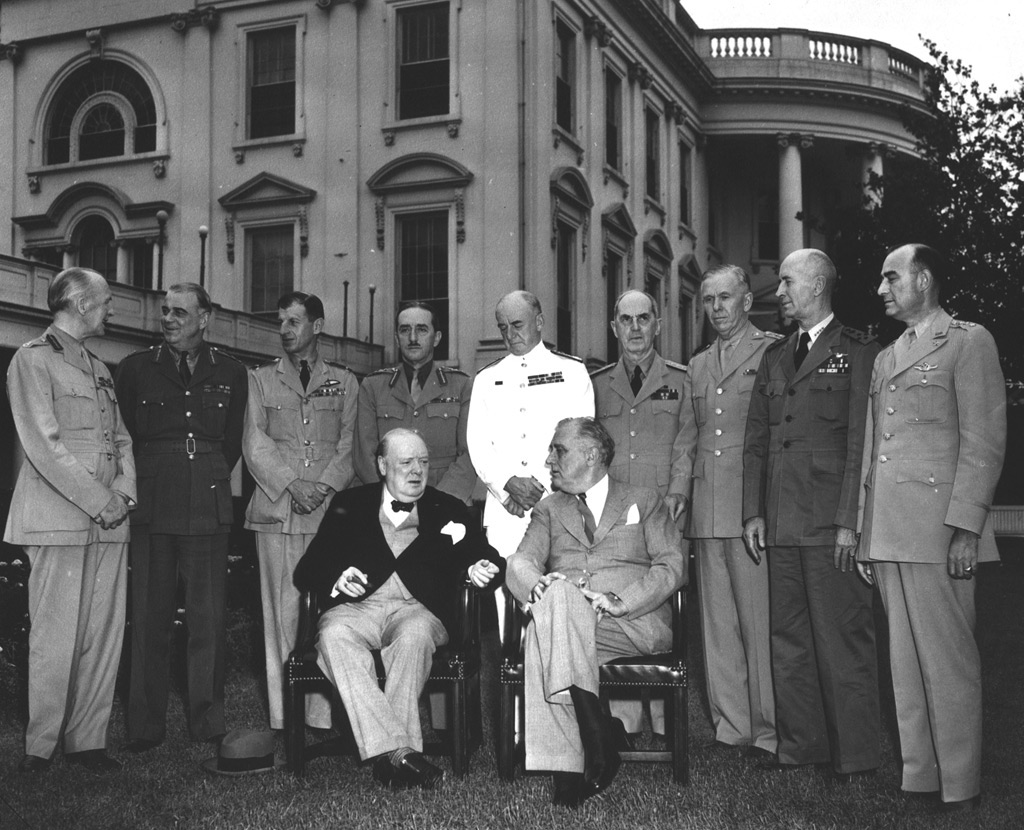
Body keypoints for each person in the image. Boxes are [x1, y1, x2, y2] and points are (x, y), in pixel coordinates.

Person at [857, 244, 1005, 812]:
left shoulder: (968, 341)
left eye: (891, 277)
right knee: (905, 663)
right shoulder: (889, 355)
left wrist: (966, 527)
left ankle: (961, 782)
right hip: (891, 531)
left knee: (948, 662)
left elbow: (984, 441)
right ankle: (920, 775)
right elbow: (875, 451)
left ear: (924, 279)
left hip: (940, 532)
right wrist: (867, 534)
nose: (882, 289)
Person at [293, 429, 504, 789]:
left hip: (417, 609)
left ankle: (391, 753)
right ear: (381, 465)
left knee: (414, 638)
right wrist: (337, 576)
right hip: (358, 607)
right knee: (332, 636)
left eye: (423, 462)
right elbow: (309, 568)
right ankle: (399, 754)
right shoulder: (349, 503)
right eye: (405, 463)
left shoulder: (447, 506)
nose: (417, 471)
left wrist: (478, 568)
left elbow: (485, 555)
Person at [742, 248, 881, 779]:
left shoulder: (858, 351)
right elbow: (757, 439)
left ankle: (856, 755)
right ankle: (802, 746)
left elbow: (861, 446)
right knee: (790, 641)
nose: (778, 293)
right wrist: (753, 512)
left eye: (786, 283)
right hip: (780, 522)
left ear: (818, 285)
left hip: (829, 524)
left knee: (842, 640)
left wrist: (851, 520)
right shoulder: (776, 356)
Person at [506, 418, 685, 807]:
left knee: (545, 630)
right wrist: (538, 586)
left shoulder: (643, 498)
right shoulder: (549, 509)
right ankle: (597, 734)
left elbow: (672, 565)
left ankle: (571, 759)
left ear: (591, 455)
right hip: (569, 620)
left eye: (559, 450)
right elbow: (520, 562)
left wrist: (620, 599)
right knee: (558, 598)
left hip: (629, 622)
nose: (549, 459)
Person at [5, 268, 135, 774]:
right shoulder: (31, 360)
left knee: (101, 635)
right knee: (54, 636)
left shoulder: (100, 367)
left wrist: (123, 494)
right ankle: (41, 746)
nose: (110, 311)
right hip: (59, 519)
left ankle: (87, 741)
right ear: (81, 304)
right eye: (104, 303)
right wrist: (98, 499)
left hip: (108, 521)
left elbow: (121, 439)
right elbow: (42, 443)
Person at [115, 282, 248, 751]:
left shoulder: (231, 371)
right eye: (165, 312)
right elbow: (125, 435)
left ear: (205, 317)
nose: (168, 319)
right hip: (152, 501)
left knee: (206, 618)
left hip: (208, 502)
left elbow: (232, 441)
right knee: (148, 616)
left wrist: (206, 473)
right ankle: (145, 726)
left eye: (179, 312)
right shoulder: (134, 369)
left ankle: (207, 720)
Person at [672, 265, 780, 759]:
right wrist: (679, 493)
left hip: (749, 509)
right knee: (715, 626)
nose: (716, 308)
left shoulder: (773, 351)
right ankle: (730, 726)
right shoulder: (697, 365)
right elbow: (689, 439)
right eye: (709, 300)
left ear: (746, 301)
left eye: (725, 298)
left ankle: (767, 728)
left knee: (758, 621)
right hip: (706, 512)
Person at [242, 291, 358, 732]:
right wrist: (293, 485)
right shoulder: (259, 379)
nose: (286, 330)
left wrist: (323, 485)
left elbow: (351, 444)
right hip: (278, 510)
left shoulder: (345, 381)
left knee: (333, 613)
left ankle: (325, 714)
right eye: (281, 322)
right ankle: (283, 714)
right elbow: (254, 441)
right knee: (281, 611)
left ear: (318, 326)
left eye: (295, 321)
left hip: (329, 512)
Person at [591, 288, 688, 735]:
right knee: (618, 599)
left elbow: (687, 445)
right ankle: (623, 723)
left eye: (643, 319)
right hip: (616, 520)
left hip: (664, 514)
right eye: (625, 320)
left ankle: (666, 722)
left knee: (660, 604)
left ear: (657, 324)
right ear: (614, 328)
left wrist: (679, 493)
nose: (634, 329)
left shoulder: (681, 381)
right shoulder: (597, 385)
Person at [467, 290, 593, 566]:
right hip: (506, 511)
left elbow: (580, 440)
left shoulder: (571, 372)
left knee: (557, 592)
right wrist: (507, 486)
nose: (510, 334)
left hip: (559, 504)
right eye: (503, 327)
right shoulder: (487, 378)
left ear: (539, 322)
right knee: (503, 593)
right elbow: (478, 443)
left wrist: (540, 488)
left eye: (517, 325)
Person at [353, 301, 475, 502]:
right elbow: (364, 457)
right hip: (389, 508)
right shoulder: (373, 386)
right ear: (396, 338)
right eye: (404, 330)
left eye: (421, 330)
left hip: (447, 504)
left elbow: (469, 455)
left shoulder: (461, 386)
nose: (412, 338)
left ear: (436, 338)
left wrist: (440, 502)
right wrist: (392, 499)